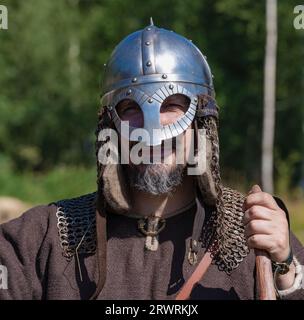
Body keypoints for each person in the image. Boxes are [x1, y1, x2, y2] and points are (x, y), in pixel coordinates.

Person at [0, 21, 303, 300]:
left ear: (201, 123)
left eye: (172, 105)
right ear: (111, 128)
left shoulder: (253, 233)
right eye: (131, 108)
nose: (152, 130)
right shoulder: (46, 237)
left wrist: (286, 270)